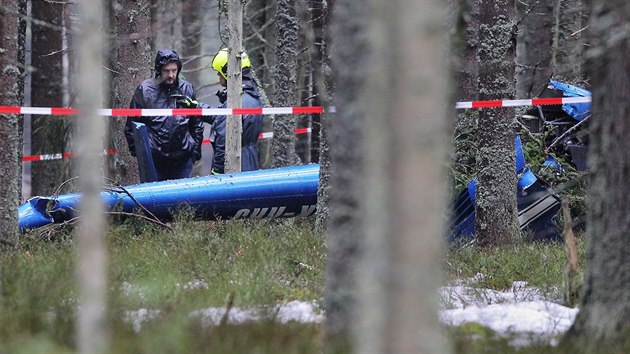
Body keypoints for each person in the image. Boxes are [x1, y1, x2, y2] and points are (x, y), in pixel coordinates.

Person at [124, 48, 204, 181]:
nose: (171, 75)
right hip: (154, 160)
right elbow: (132, 125)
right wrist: (142, 155)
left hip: (183, 159)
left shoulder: (186, 88)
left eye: (174, 70)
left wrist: (194, 152)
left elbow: (196, 122)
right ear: (159, 70)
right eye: (167, 71)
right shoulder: (145, 91)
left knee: (183, 200)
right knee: (154, 200)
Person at [203, 48, 264, 174]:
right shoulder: (253, 97)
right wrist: (197, 108)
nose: (218, 76)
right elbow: (223, 118)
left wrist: (217, 172)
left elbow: (223, 141)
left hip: (234, 168)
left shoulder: (235, 103)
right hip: (251, 162)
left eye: (219, 73)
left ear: (227, 72)